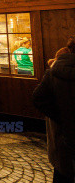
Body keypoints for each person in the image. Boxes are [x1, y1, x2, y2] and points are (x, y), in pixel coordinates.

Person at [33, 36, 75, 183]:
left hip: (62, 140)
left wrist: (61, 118)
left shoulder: (53, 71)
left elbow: (38, 98)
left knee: (63, 173)